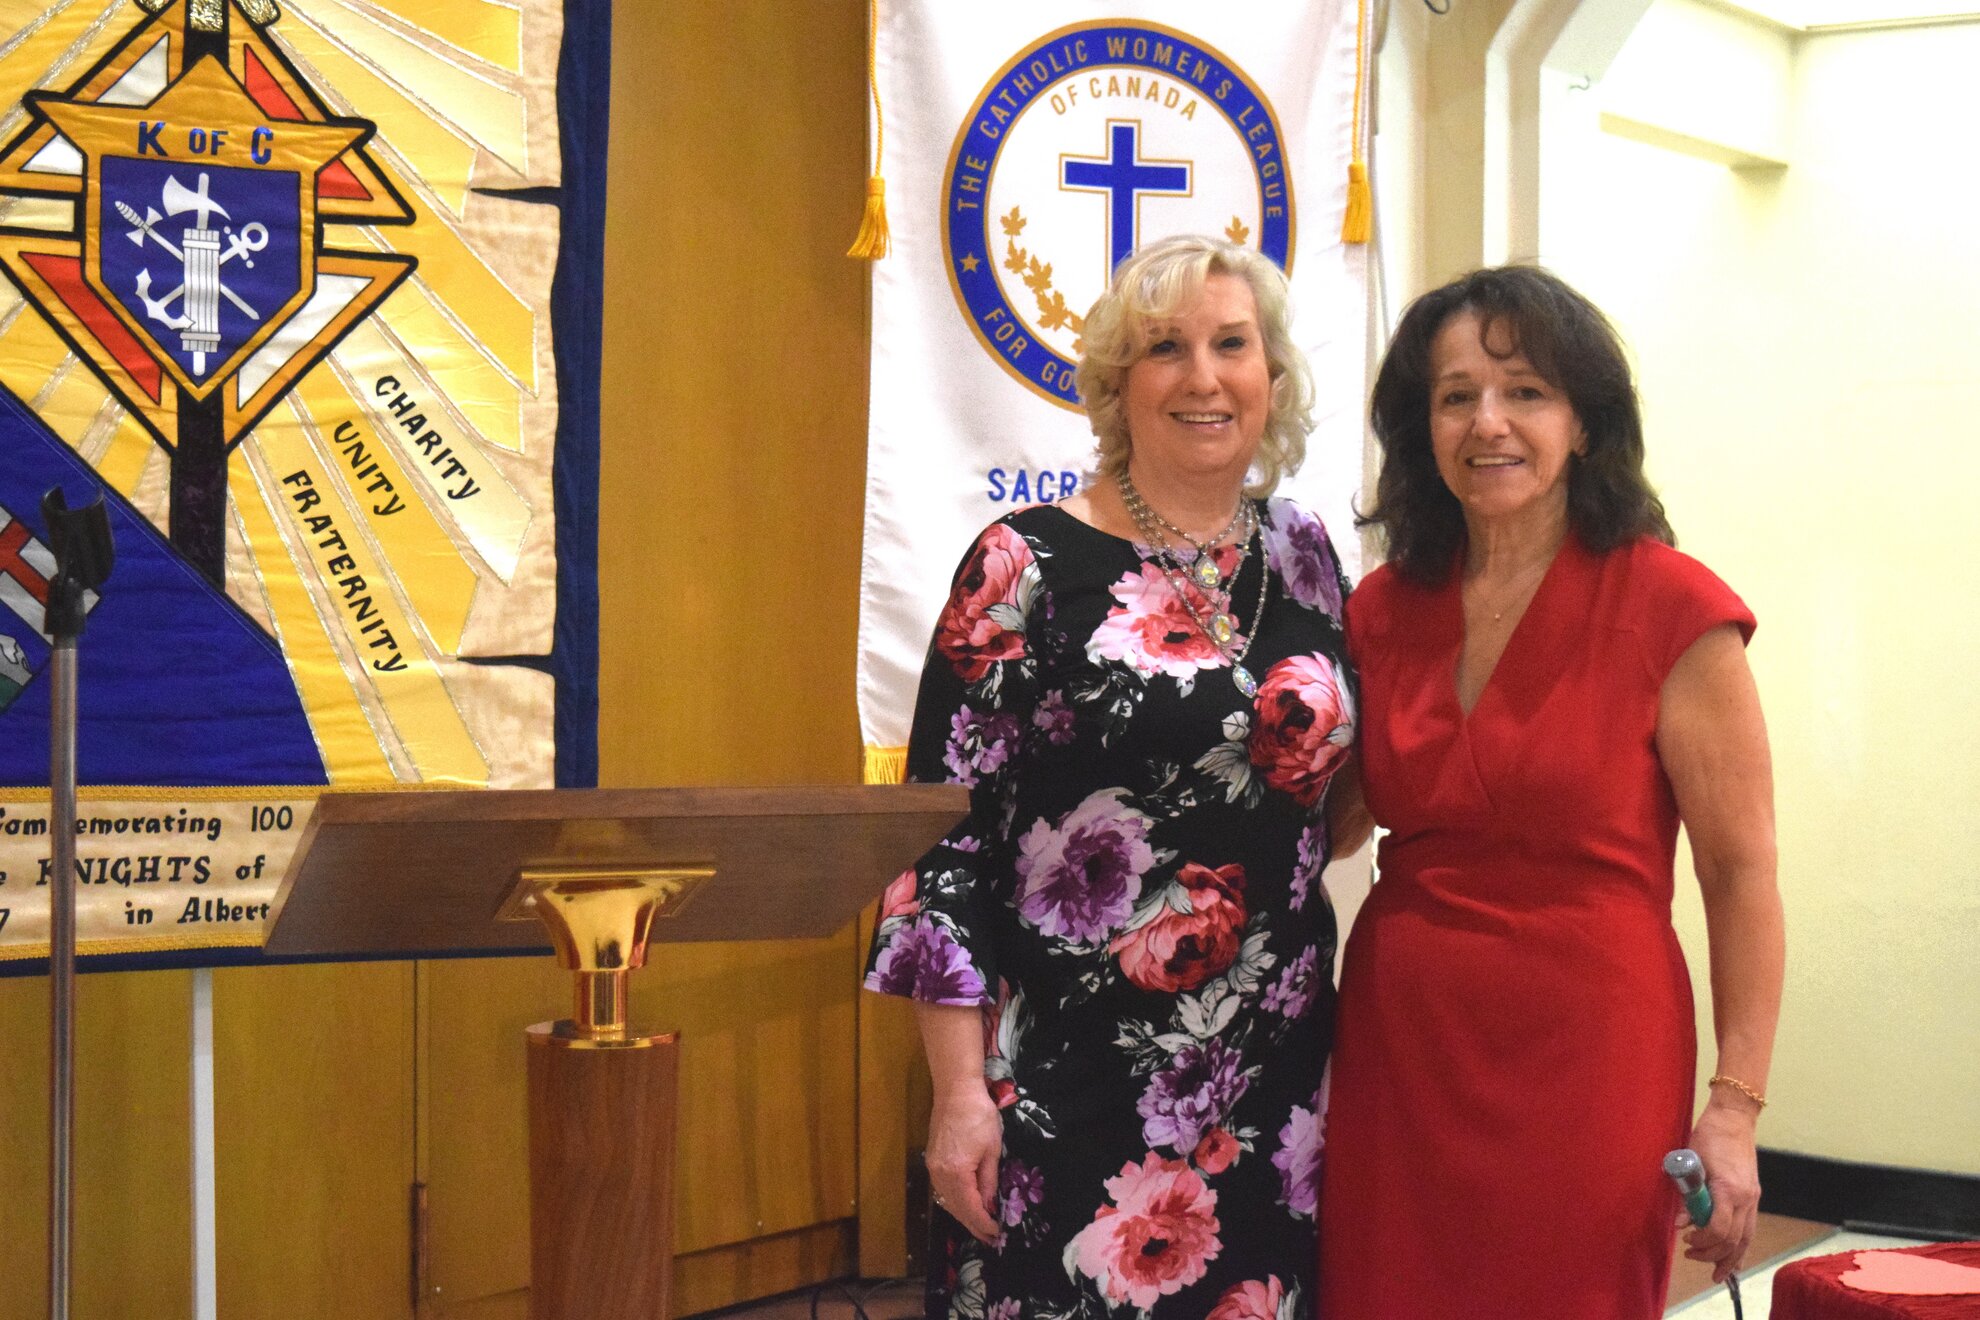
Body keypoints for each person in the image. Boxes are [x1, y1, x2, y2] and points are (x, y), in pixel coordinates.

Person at [865, 233, 1366, 1318]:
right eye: (1165, 348)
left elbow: (1327, 802)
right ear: (1116, 383)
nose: (1203, 377)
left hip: (1275, 1088)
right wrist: (958, 1092)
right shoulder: (1024, 565)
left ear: (1272, 375)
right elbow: (939, 847)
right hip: (1069, 1084)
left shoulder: (1307, 556)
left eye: (1231, 344)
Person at [1317, 266, 1784, 1319]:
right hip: (1403, 1045)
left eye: (1525, 391)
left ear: (1583, 424)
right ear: (1423, 429)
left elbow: (1741, 873)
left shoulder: (1674, 608)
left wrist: (1734, 1108)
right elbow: (1333, 825)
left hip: (1592, 1048)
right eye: (1456, 397)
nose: (1489, 422)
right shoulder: (1380, 610)